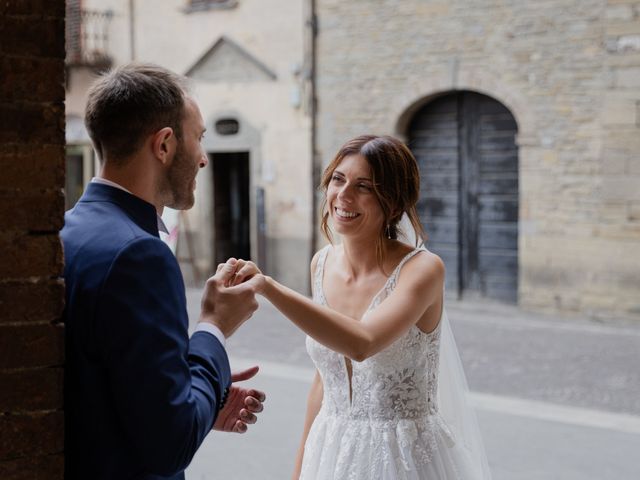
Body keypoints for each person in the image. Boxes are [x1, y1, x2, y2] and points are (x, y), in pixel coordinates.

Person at [230, 135, 491, 479]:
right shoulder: (321, 264)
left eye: (364, 186)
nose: (343, 195)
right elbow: (324, 384)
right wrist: (298, 472)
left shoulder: (424, 269)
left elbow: (362, 343)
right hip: (331, 450)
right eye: (338, 179)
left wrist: (267, 286)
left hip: (403, 459)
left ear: (393, 203)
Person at [62, 63, 265, 480]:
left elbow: (106, 394)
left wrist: (202, 399)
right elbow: (170, 444)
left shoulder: (65, 231)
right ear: (165, 145)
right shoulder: (141, 255)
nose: (205, 158)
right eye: (200, 138)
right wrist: (214, 327)